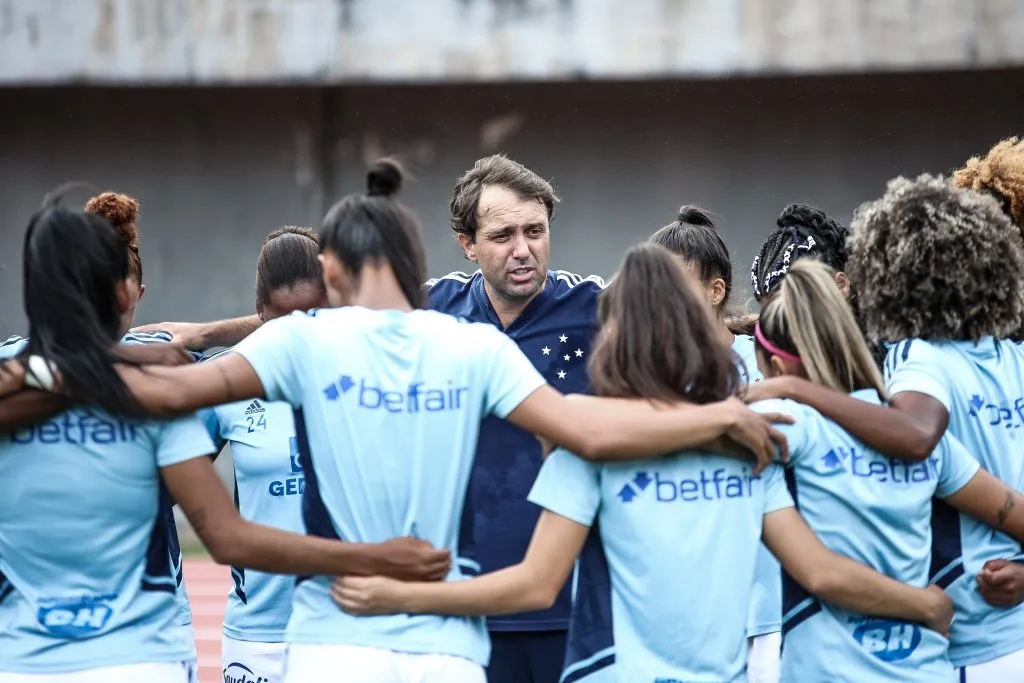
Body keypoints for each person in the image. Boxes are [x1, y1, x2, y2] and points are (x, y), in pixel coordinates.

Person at [7, 161, 792, 683]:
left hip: (332, 632)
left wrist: (57, 360)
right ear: (431, 262)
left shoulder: (302, 337)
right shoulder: (470, 345)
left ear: (335, 273)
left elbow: (180, 394)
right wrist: (710, 420)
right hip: (446, 647)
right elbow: (588, 430)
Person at [328, 243, 954, 683]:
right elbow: (820, 572)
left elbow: (534, 585)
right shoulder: (752, 445)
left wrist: (399, 596)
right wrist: (921, 604)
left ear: (615, 339)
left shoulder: (591, 451)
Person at [0, 203, 450, 683]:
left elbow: (291, 327)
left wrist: (53, 371)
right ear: (126, 290)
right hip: (144, 657)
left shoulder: (123, 373)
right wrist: (372, 559)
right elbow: (227, 536)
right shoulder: (161, 385)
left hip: (25, 660)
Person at [744, 175, 1024, 681]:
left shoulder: (918, 368)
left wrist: (797, 392)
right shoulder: (1013, 359)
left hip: (969, 639)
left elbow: (916, 437)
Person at [0, 190, 203, 678]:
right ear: (122, 293)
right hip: (103, 648)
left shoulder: (160, 362)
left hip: (125, 634)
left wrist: (204, 334)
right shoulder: (153, 368)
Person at [426, 154, 603, 683]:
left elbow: (697, 317)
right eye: (503, 235)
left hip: (573, 607)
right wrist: (205, 335)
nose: (524, 250)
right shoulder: (430, 311)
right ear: (467, 243)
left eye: (535, 231)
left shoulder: (598, 308)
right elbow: (315, 320)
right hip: (463, 606)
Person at [649, 205, 779, 682]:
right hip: (681, 615)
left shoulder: (764, 363)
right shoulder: (645, 378)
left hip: (761, 612)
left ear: (715, 290)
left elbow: (773, 447)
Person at [200, 226, 328, 683]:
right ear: (259, 316)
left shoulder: (370, 375)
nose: (296, 339)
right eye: (281, 324)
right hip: (258, 637)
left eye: (313, 317)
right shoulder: (226, 383)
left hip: (345, 630)